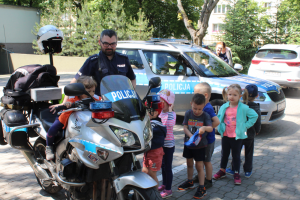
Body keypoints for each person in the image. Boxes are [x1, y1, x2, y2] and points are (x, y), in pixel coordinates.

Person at [50, 29, 136, 112]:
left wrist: (130, 96)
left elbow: (132, 79)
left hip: (122, 105)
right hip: (100, 106)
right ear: (99, 43)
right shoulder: (93, 61)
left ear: (116, 44)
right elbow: (75, 81)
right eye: (106, 44)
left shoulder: (123, 59)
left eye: (113, 44)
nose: (109, 47)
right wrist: (64, 103)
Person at [46, 76, 101, 160]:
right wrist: (67, 104)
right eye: (88, 91)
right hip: (66, 116)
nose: (91, 94)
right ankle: (49, 147)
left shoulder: (94, 97)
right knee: (52, 129)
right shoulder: (74, 97)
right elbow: (69, 102)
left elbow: (102, 100)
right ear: (80, 91)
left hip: (83, 119)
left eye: (93, 91)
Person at [213, 84, 258, 185]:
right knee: (224, 154)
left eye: (234, 95)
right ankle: (222, 170)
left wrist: (245, 126)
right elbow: (219, 118)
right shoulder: (224, 106)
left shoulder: (243, 108)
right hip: (225, 135)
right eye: (230, 94)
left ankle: (236, 173)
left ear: (240, 96)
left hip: (237, 136)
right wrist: (219, 127)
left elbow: (254, 116)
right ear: (226, 95)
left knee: (236, 155)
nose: (231, 97)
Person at [178, 93, 213, 199]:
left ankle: (202, 188)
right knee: (189, 163)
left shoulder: (205, 115)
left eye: (199, 109)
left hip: (200, 146)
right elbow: (185, 127)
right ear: (191, 104)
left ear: (203, 106)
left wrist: (204, 128)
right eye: (195, 108)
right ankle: (190, 182)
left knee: (199, 166)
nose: (197, 111)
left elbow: (211, 128)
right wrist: (191, 136)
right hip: (189, 144)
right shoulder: (188, 113)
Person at [226, 84, 261, 178]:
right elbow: (258, 122)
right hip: (250, 135)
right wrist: (257, 131)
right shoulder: (256, 108)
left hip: (239, 134)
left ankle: (234, 169)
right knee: (249, 153)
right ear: (257, 95)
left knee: (236, 152)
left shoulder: (239, 106)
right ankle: (248, 171)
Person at [193, 83, 220, 189]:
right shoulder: (202, 106)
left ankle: (208, 180)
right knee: (200, 160)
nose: (194, 97)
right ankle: (200, 176)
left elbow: (216, 122)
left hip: (208, 141)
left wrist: (206, 130)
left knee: (206, 161)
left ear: (205, 95)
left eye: (196, 94)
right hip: (202, 141)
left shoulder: (208, 108)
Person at [157, 89, 176, 198]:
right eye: (159, 101)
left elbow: (168, 124)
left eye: (162, 101)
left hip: (169, 145)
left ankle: (168, 189)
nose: (160, 103)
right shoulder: (159, 113)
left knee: (168, 167)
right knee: (163, 166)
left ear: (169, 103)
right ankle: (164, 184)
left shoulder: (172, 114)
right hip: (161, 144)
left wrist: (169, 110)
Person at [142, 106, 166, 189]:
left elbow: (150, 131)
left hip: (155, 152)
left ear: (156, 113)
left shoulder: (155, 125)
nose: (147, 113)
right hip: (148, 151)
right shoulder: (150, 122)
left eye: (149, 111)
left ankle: (155, 194)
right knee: (144, 171)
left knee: (152, 173)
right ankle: (148, 190)